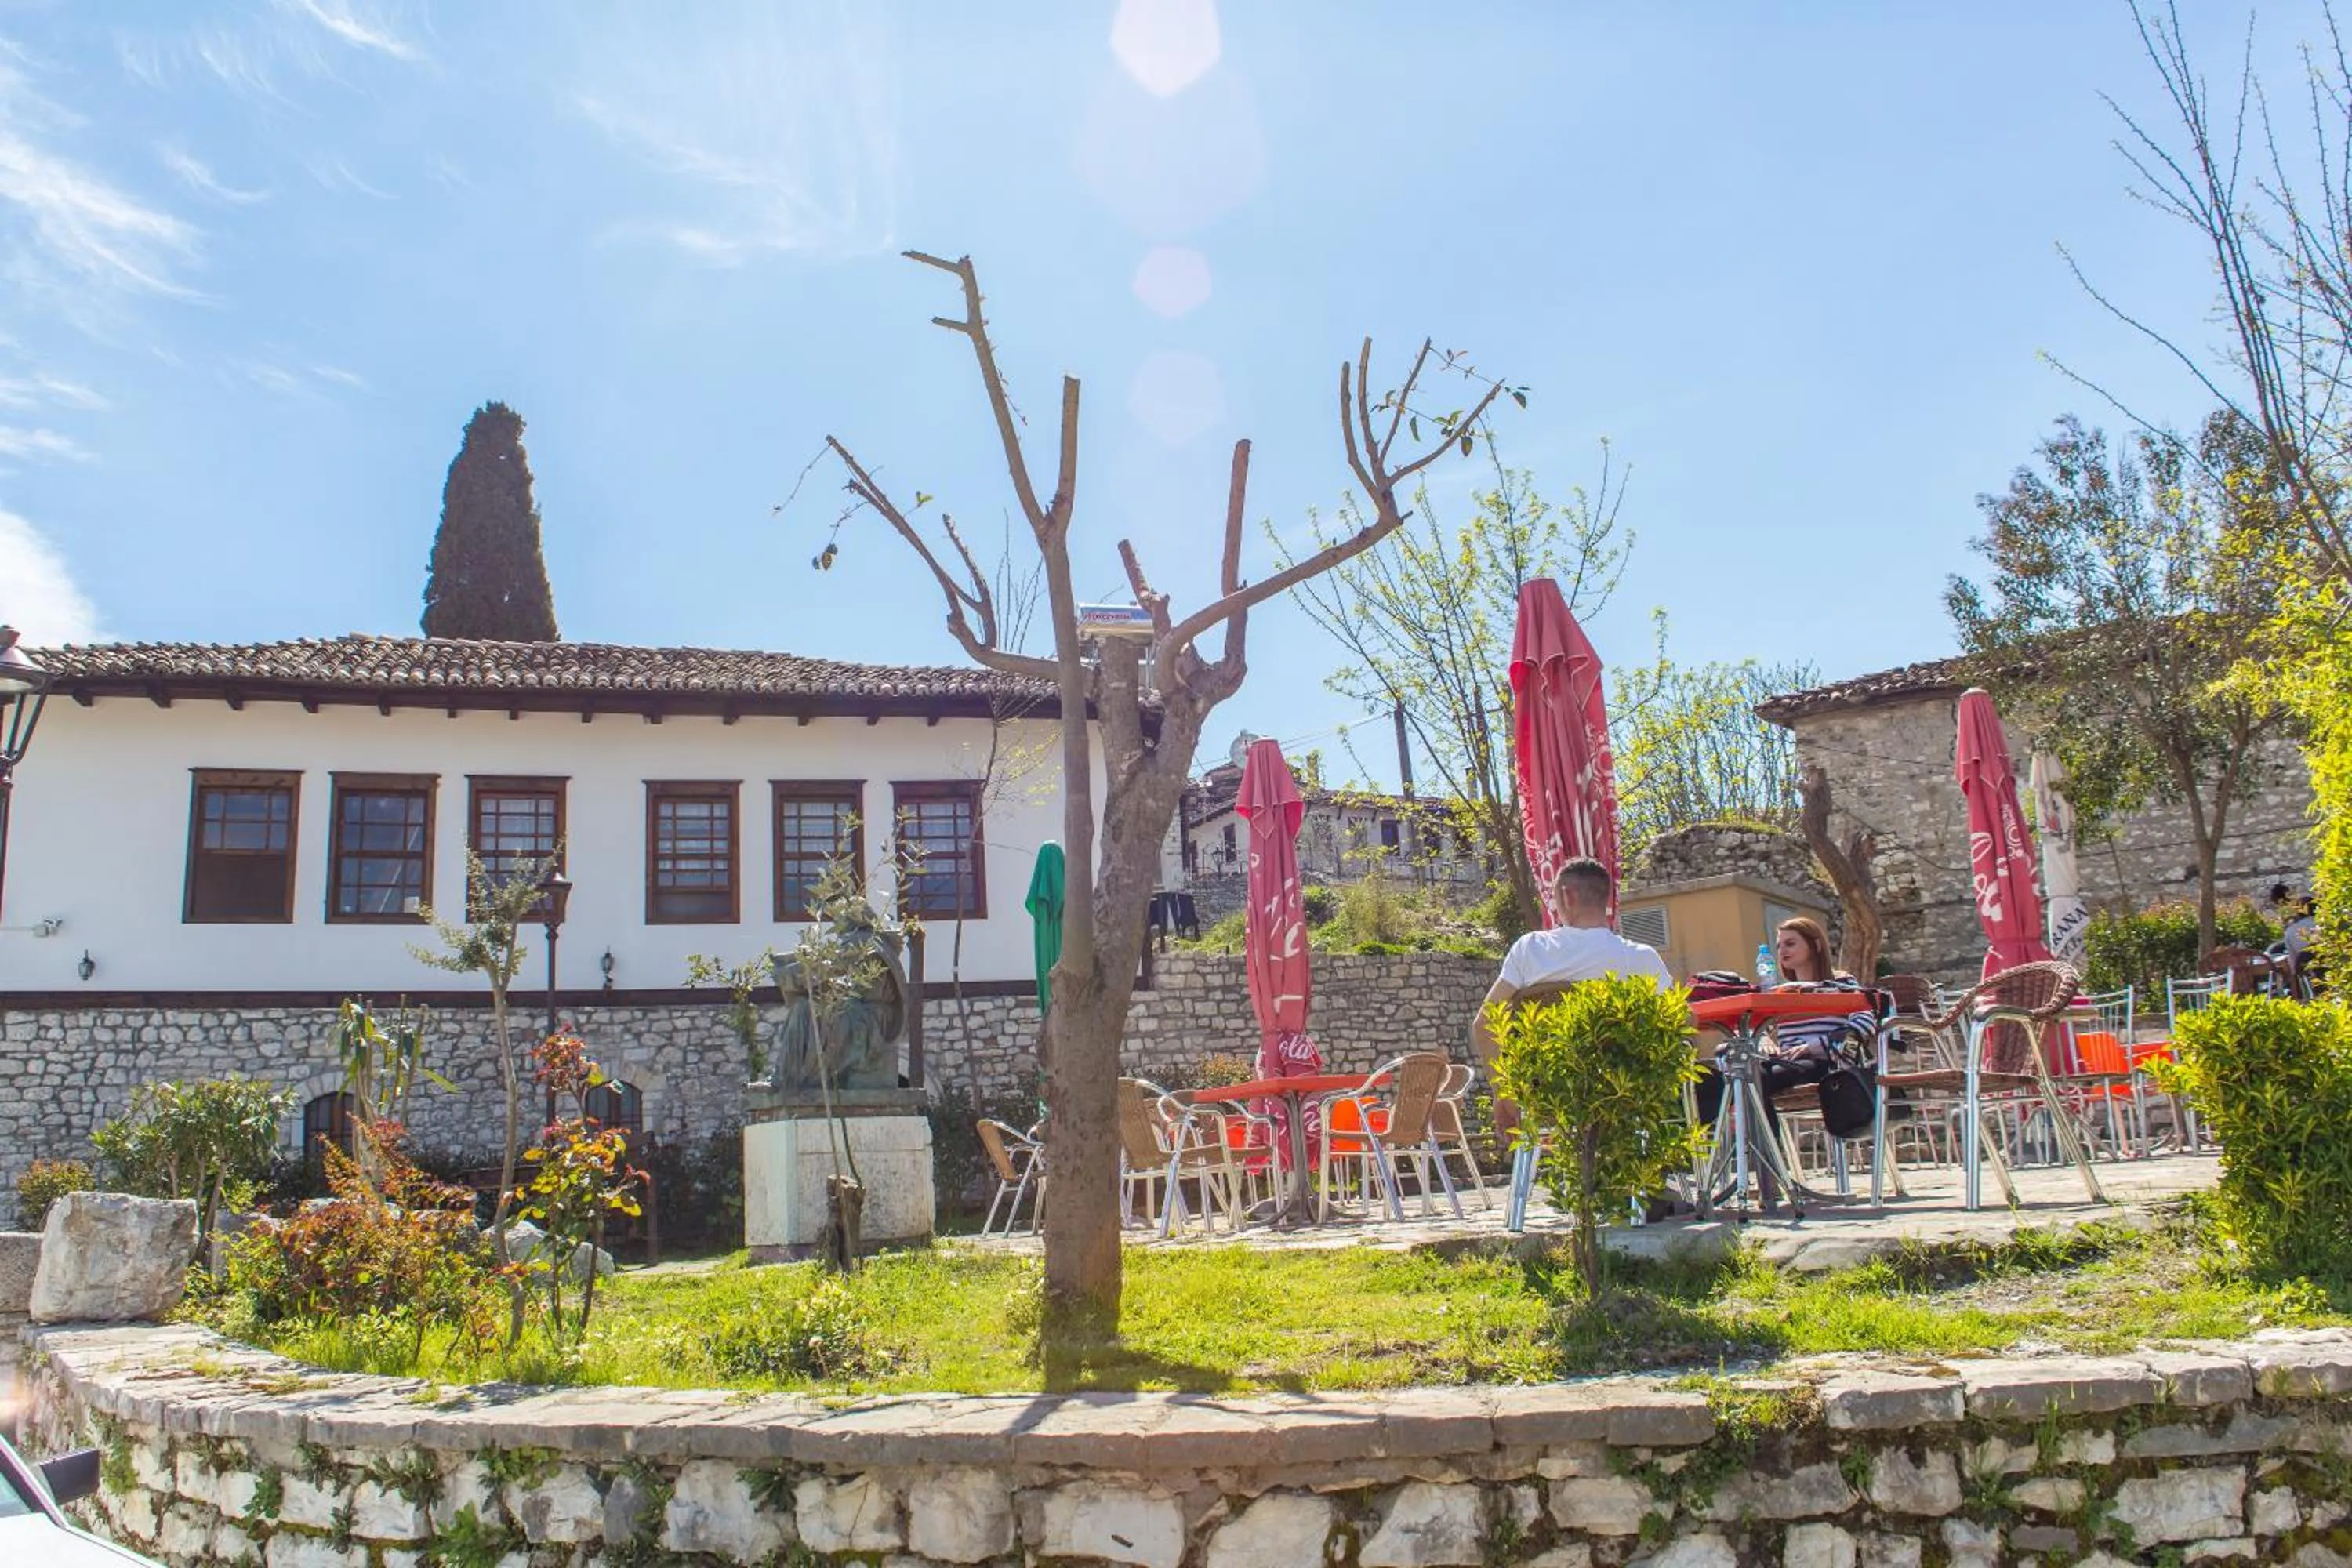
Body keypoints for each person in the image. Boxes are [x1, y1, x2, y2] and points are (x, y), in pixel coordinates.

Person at [1469, 858, 1674, 1134]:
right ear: (1606, 898)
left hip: (1546, 1094)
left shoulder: (1531, 949)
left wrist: (1503, 1092)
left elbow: (1485, 1023)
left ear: (1566, 895)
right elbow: (1682, 1022)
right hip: (1621, 1096)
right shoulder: (1640, 958)